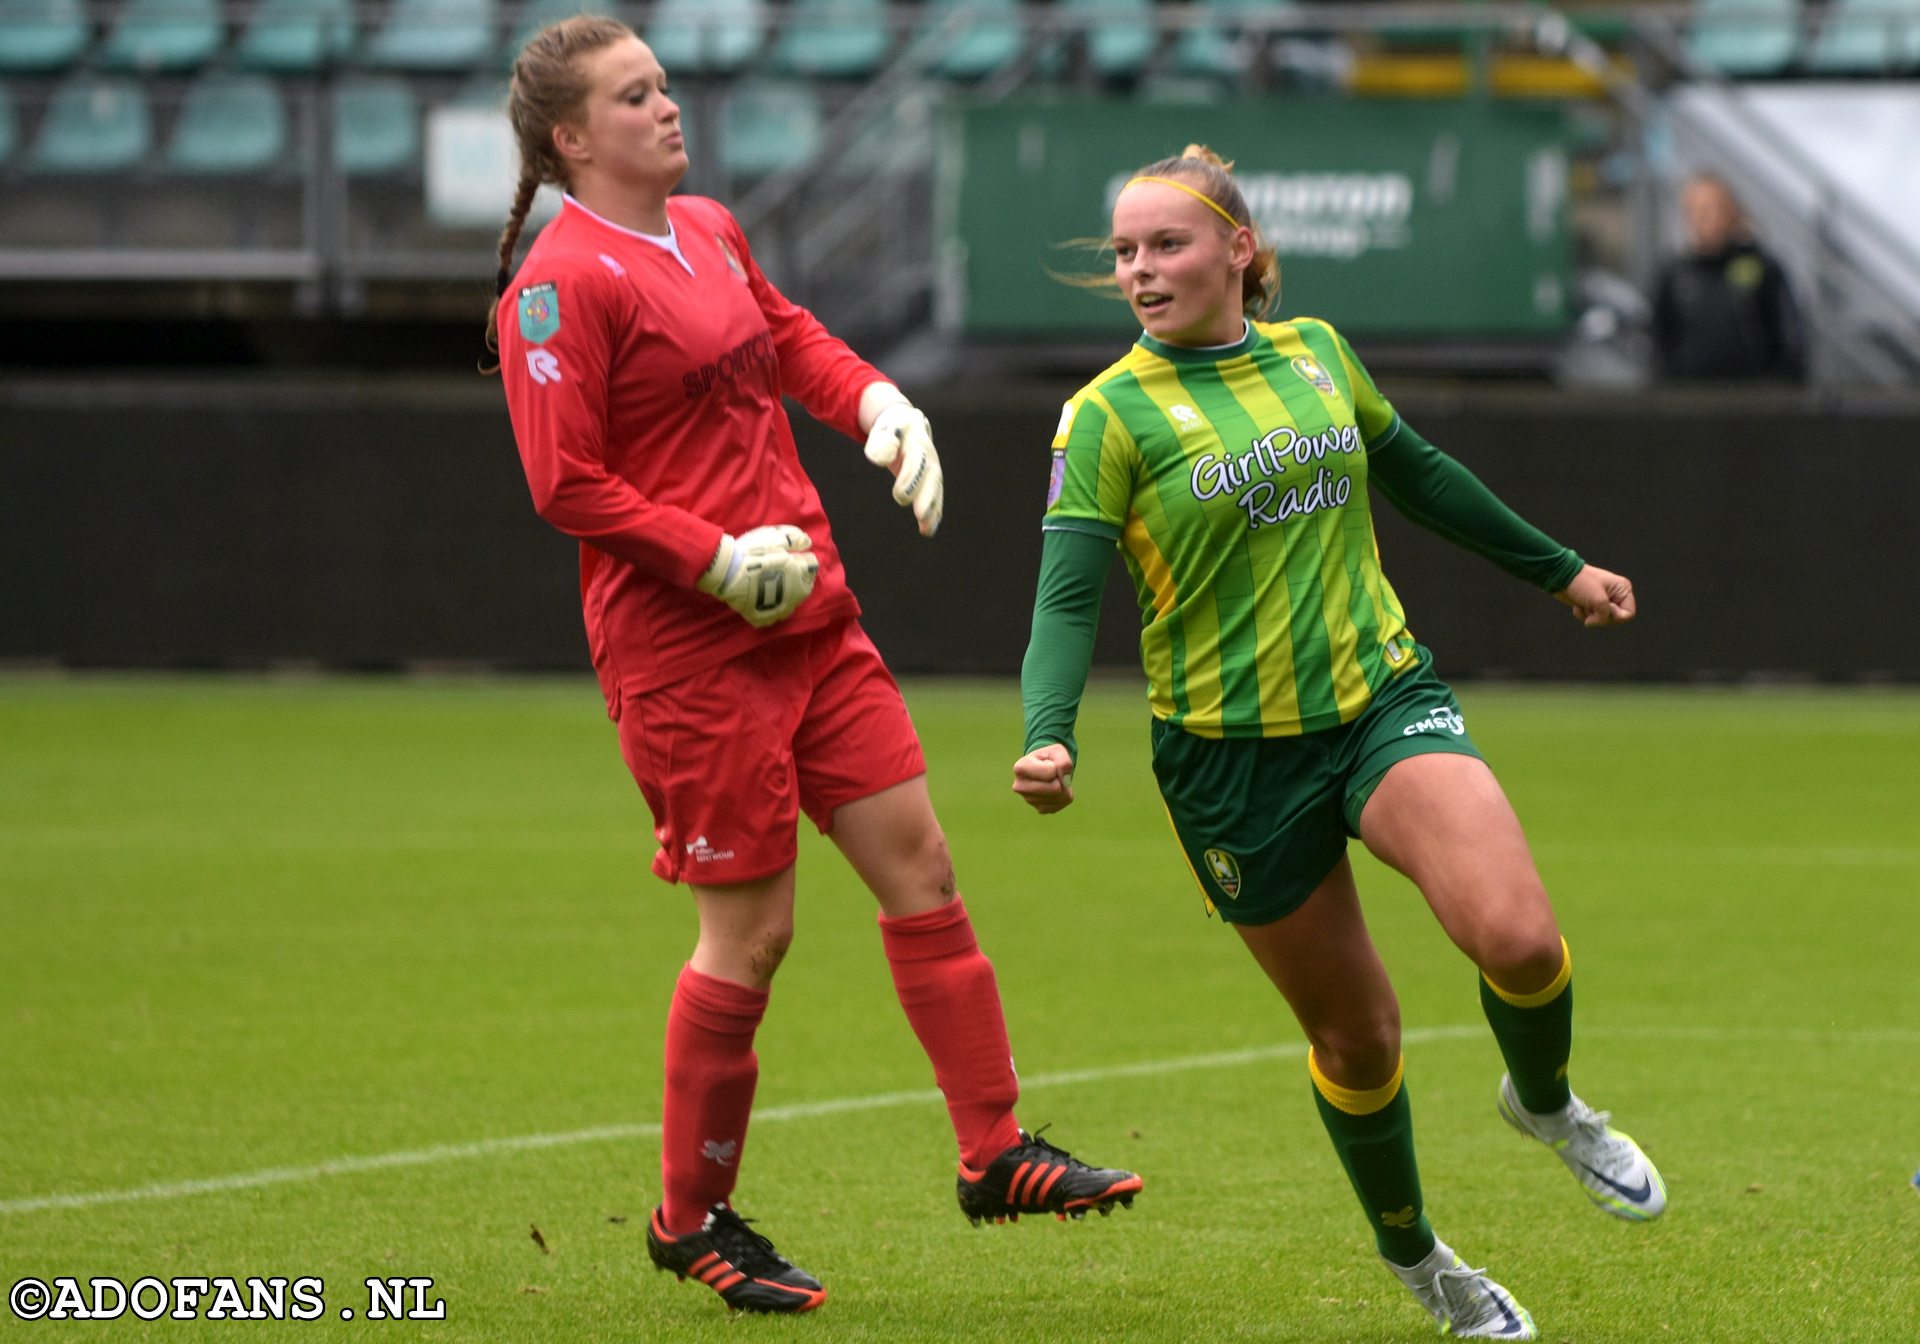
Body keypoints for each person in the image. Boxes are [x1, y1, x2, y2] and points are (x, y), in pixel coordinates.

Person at [489, 16, 1140, 1317]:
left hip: (813, 622)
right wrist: (718, 559)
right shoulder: (558, 286)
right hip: (688, 652)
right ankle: (688, 1219)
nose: (669, 107)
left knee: (923, 867)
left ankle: (995, 1152)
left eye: (664, 83)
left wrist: (876, 403)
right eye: (635, 95)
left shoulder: (713, 226)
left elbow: (786, 337)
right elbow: (565, 482)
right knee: (754, 933)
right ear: (572, 139)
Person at [1012, 146, 1666, 1341]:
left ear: (1238, 250)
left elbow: (1414, 472)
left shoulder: (1317, 352)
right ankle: (1424, 1264)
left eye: (1166, 244)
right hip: (1230, 761)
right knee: (1358, 1035)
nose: (1140, 271)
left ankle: (1551, 1105)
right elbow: (1066, 598)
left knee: (1519, 938)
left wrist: (1560, 569)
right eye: (1123, 252)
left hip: (1378, 701)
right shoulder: (1104, 414)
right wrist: (1047, 738)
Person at [1652, 172, 1806, 381]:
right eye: (1696, 210)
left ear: (1732, 212)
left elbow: (1789, 337)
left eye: (1713, 208)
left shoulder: (1762, 267)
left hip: (1752, 401)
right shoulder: (1674, 275)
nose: (1705, 218)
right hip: (1690, 401)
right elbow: (1660, 342)